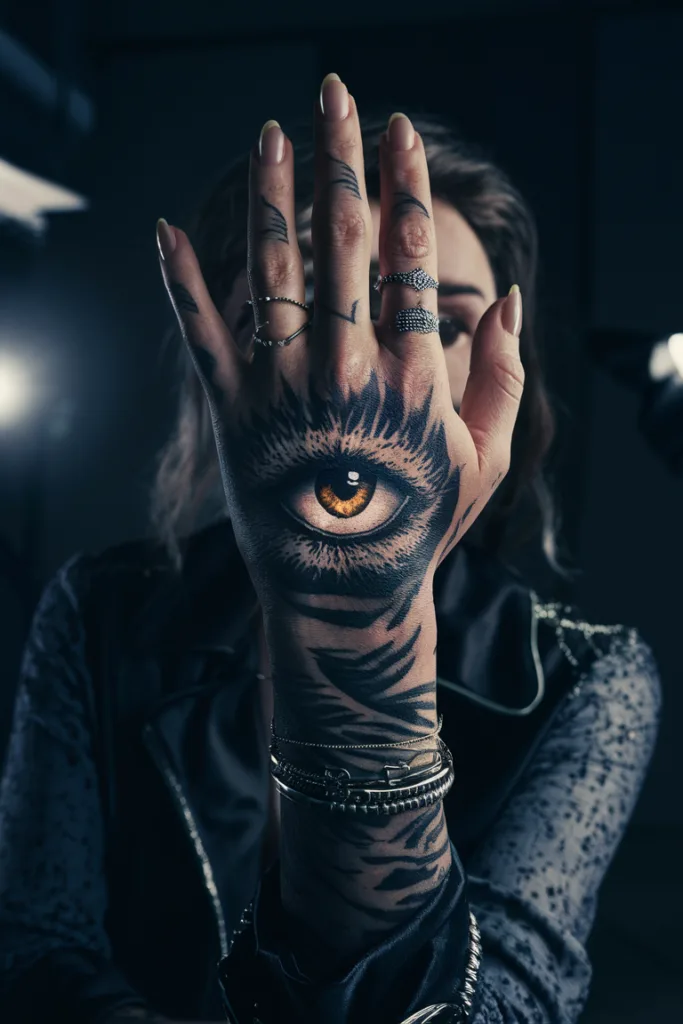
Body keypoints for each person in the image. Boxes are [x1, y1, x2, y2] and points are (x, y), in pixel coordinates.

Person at [0, 76, 660, 1024]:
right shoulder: (99, 612)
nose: (377, 368)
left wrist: (353, 633)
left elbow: (504, 1008)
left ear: (506, 385)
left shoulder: (585, 675)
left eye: (442, 320)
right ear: (222, 357)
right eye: (313, 307)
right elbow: (36, 957)